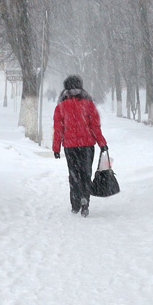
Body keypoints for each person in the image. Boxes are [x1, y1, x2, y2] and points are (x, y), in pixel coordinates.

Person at [52, 75, 108, 217]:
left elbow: (58, 129)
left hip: (70, 147)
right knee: (86, 173)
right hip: (87, 146)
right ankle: (85, 202)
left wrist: (56, 148)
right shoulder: (88, 104)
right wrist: (102, 143)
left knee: (73, 174)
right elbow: (95, 126)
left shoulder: (61, 107)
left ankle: (75, 203)